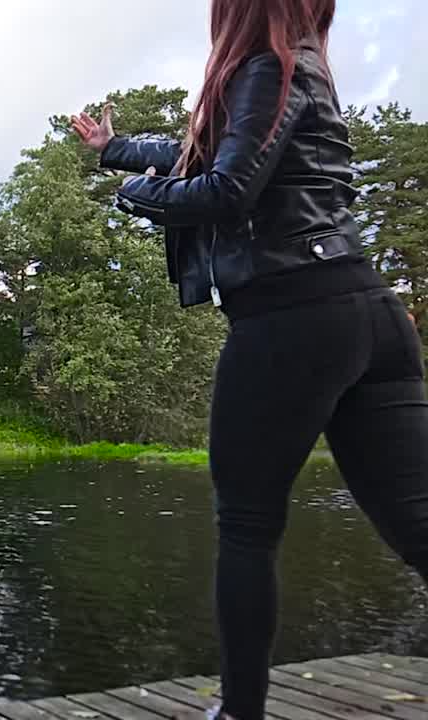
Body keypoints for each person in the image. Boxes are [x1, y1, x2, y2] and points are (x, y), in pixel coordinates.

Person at [72, 1, 428, 719]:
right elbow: (205, 155)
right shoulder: (305, 70)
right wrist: (116, 148)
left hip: (290, 317)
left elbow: (226, 188)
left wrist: (131, 193)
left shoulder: (267, 67)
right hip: (370, 313)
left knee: (247, 527)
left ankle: (239, 714)